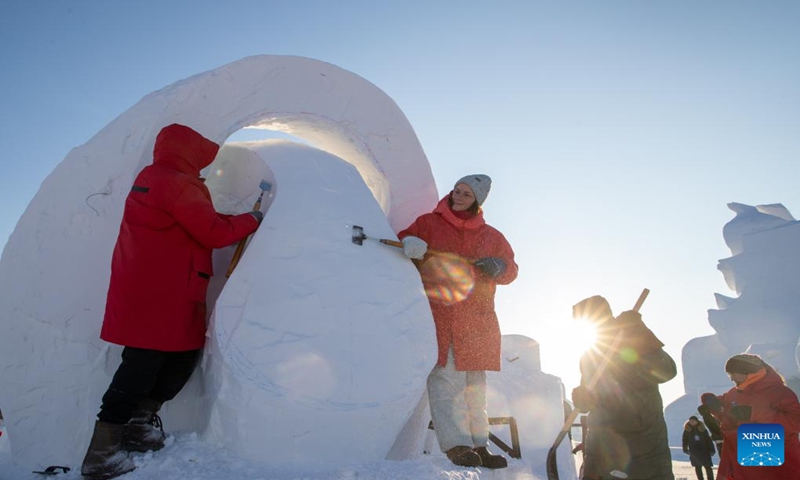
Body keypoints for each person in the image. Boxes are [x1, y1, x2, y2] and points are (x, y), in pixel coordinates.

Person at [81, 124, 263, 480]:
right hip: (159, 291)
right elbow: (212, 232)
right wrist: (253, 219)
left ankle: (137, 426)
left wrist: (236, 220)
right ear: (188, 151)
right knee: (140, 365)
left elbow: (200, 220)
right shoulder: (174, 181)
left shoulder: (163, 178)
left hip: (164, 289)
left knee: (179, 358)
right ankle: (100, 455)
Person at [398, 174, 518, 468]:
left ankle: (480, 445)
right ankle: (456, 445)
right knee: (446, 384)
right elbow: (404, 238)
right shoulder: (429, 223)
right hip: (443, 318)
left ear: (478, 200)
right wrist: (410, 242)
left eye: (466, 193)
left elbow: (512, 270)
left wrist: (499, 266)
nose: (458, 195)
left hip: (478, 323)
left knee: (476, 392)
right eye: (457, 189)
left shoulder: (493, 237)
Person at [570, 295, 676, 480]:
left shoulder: (635, 341)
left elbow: (666, 371)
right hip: (600, 449)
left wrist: (640, 333)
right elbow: (589, 398)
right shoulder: (590, 355)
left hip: (641, 448)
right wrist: (582, 398)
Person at [700, 353, 800, 480]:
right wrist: (710, 401)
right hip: (742, 458)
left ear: (747, 372)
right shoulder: (735, 393)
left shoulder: (779, 392)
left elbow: (796, 421)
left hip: (775, 459)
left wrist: (755, 413)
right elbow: (725, 409)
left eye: (733, 373)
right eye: (729, 374)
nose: (731, 378)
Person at [682, 416, 715, 480]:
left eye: (693, 421)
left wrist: (712, 450)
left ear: (697, 421)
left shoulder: (703, 429)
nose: (692, 422)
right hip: (694, 451)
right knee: (697, 467)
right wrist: (685, 449)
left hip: (704, 451)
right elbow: (684, 440)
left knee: (708, 466)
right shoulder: (687, 430)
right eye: (690, 421)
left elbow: (708, 440)